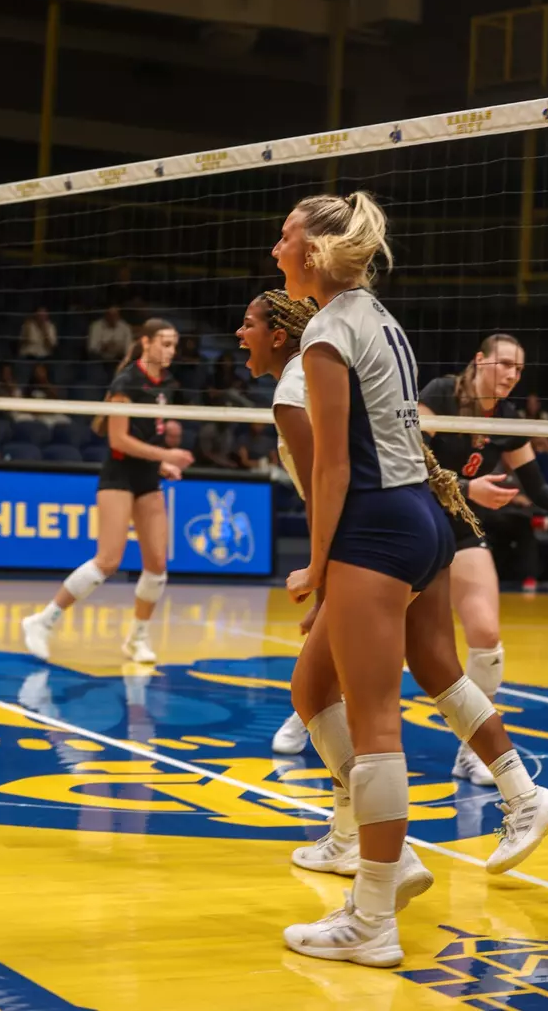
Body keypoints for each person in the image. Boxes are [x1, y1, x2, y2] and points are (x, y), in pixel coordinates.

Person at [273, 191, 548, 968]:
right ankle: (513, 798)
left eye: (284, 239)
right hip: (422, 518)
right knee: (381, 680)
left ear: (311, 253)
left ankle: (372, 912)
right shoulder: (380, 317)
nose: (276, 250)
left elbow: (334, 465)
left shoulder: (328, 332)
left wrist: (316, 561)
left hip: (376, 523)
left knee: (373, 718)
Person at [419, 335, 548, 784]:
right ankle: (307, 717)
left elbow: (537, 488)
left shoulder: (508, 418)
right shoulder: (441, 395)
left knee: (487, 637)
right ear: (479, 361)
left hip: (461, 530)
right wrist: (468, 490)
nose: (511, 375)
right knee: (369, 638)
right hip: (415, 522)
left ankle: (471, 751)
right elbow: (407, 466)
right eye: (504, 365)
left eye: (518, 370)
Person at [21, 319, 194, 665]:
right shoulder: (126, 382)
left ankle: (137, 638)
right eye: (164, 343)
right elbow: (118, 440)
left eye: (174, 344)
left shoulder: (167, 384)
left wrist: (162, 466)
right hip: (118, 477)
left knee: (157, 565)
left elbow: (148, 437)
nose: (170, 350)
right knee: (109, 561)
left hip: (148, 478)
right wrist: (167, 455)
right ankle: (43, 621)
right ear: (145, 343)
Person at [236, 289, 318, 756]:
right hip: (404, 521)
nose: (240, 333)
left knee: (322, 684)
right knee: (434, 667)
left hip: (375, 531)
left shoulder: (294, 391)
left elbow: (324, 491)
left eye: (249, 324)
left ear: (279, 335)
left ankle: (352, 824)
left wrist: (320, 572)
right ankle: (519, 789)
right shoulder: (311, 372)